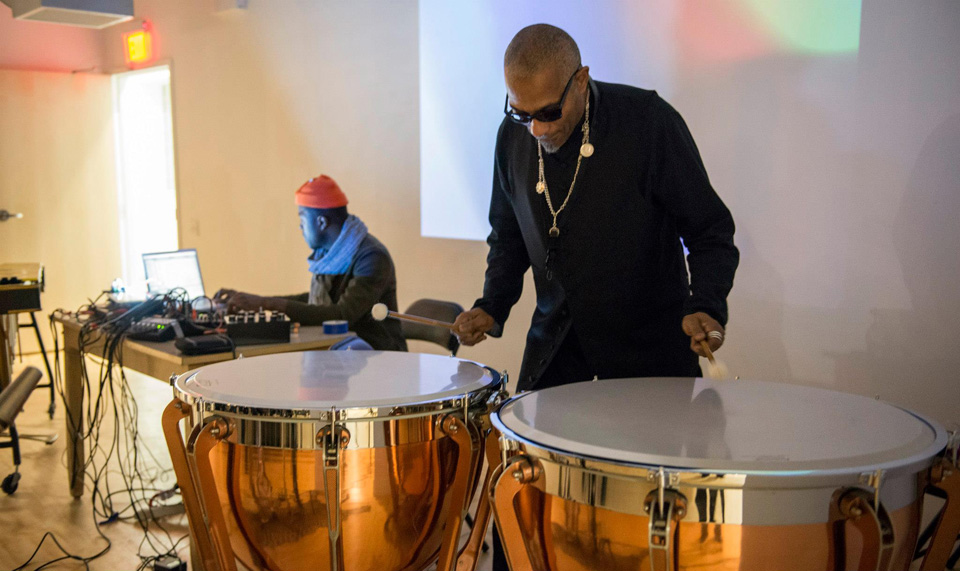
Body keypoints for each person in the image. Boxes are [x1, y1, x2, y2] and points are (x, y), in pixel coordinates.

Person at [452, 23, 739, 570]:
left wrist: (706, 305)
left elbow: (709, 230)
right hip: (557, 348)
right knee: (530, 508)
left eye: (547, 113)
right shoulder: (512, 138)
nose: (535, 128)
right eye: (521, 113)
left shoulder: (648, 124)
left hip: (650, 354)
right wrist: (492, 304)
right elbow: (507, 234)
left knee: (639, 532)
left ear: (580, 81)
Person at [216, 175, 407, 351]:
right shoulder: (329, 254)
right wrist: (254, 301)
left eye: (302, 219)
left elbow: (341, 315)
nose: (300, 227)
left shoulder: (371, 257)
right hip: (341, 353)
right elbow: (315, 301)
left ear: (321, 222)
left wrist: (265, 303)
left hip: (376, 359)